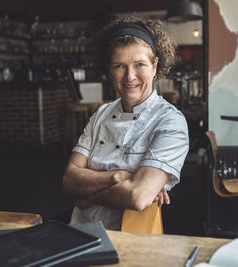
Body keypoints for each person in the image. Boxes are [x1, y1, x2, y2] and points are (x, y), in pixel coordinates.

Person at [62, 15, 189, 230]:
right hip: (80, 231)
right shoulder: (101, 113)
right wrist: (120, 176)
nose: (130, 76)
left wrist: (90, 197)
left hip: (132, 239)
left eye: (139, 64)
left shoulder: (170, 122)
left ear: (155, 66)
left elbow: (137, 197)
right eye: (119, 66)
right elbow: (69, 180)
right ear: (109, 69)